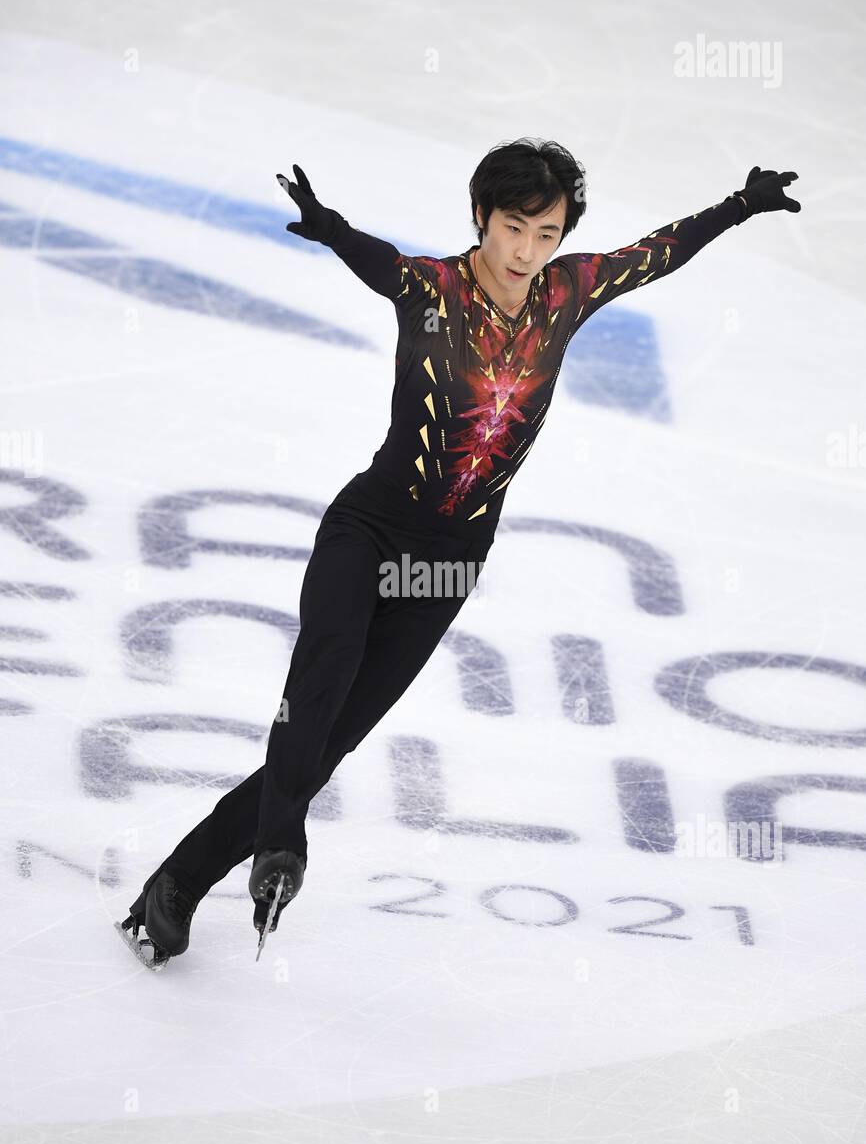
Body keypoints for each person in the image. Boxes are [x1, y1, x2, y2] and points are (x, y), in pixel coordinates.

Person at [119, 139, 800, 961]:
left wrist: (738, 205)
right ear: (482, 216)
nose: (527, 251)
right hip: (369, 529)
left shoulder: (568, 291)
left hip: (447, 561)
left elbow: (654, 255)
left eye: (546, 233)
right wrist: (332, 227)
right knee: (322, 675)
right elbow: (380, 263)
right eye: (514, 227)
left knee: (329, 743)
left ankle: (177, 885)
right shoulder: (434, 290)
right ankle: (279, 849)